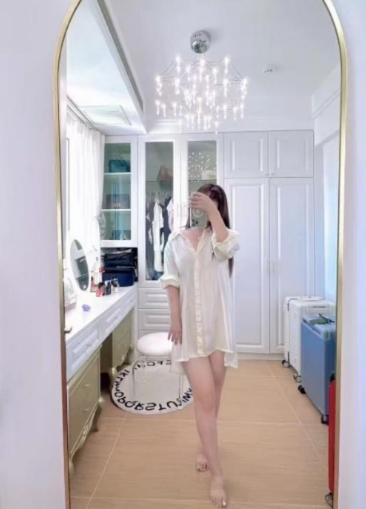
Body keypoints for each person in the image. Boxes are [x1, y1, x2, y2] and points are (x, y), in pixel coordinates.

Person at [160, 184, 240, 508]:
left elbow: (229, 246)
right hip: (191, 333)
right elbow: (171, 281)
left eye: (215, 202)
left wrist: (213, 212)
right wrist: (174, 319)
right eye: (204, 199)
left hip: (217, 330)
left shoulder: (220, 239)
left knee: (213, 397)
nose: (207, 206)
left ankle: (204, 446)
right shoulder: (175, 241)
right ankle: (218, 475)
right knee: (205, 397)